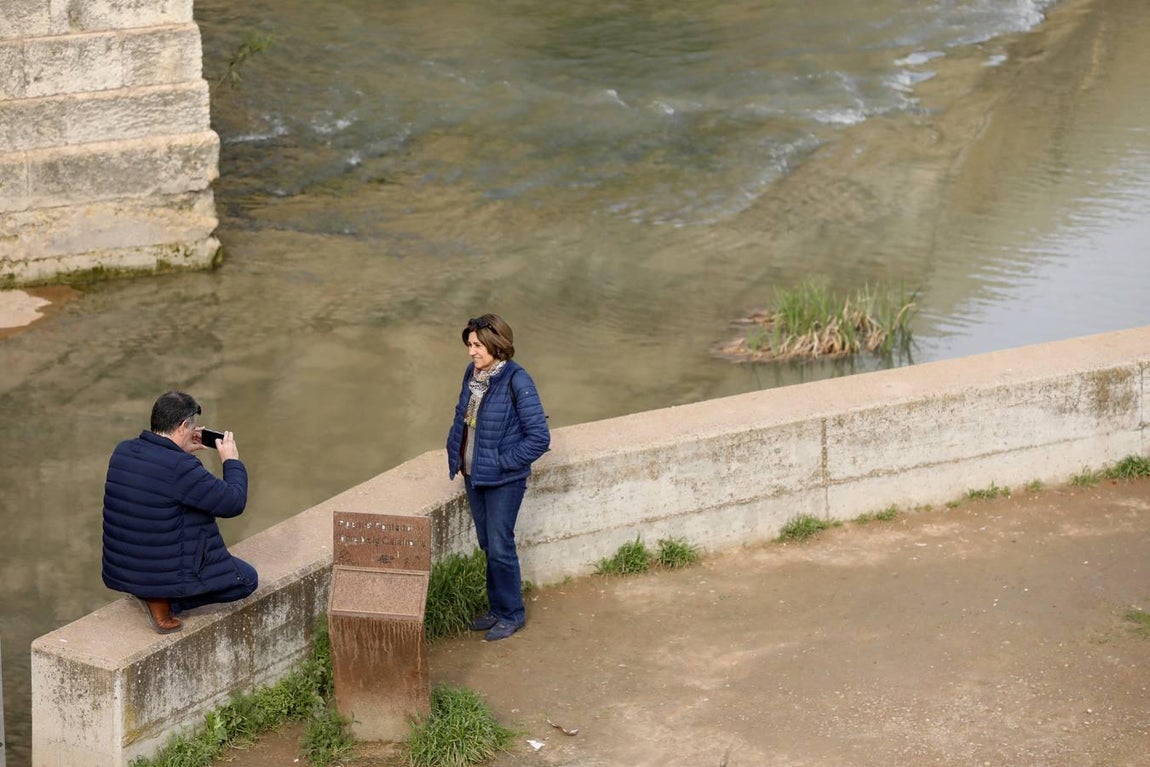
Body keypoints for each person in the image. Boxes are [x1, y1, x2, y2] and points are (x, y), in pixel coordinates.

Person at [102, 391, 258, 634]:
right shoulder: (181, 468)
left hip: (125, 570)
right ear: (185, 425)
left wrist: (182, 451)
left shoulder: (123, 450)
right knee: (246, 580)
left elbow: (161, 482)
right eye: (192, 426)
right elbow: (232, 502)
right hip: (161, 574)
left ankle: (152, 593)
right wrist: (231, 461)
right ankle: (165, 601)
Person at [446, 314, 550, 641]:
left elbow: (539, 438)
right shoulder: (473, 374)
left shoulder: (518, 380)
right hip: (473, 475)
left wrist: (502, 462)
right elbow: (464, 418)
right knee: (488, 545)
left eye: (477, 345)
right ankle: (496, 609)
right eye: (470, 345)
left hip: (503, 479)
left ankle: (511, 614)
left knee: (501, 546)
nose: (471, 352)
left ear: (496, 344)